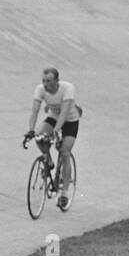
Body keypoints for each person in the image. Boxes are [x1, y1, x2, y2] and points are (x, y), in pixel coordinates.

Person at [24, 68, 82, 211]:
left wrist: (56, 131)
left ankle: (64, 193)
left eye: (49, 81)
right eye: (43, 81)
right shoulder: (40, 89)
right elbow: (35, 110)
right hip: (53, 118)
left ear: (57, 81)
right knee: (39, 136)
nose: (45, 84)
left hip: (70, 121)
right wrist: (31, 130)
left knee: (64, 151)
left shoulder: (67, 88)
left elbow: (64, 112)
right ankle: (49, 162)